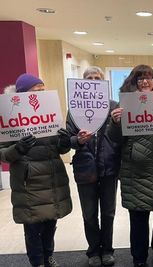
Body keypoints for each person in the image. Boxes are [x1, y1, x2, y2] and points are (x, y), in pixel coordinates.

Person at [108, 65, 153, 267]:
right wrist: (115, 123)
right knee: (138, 219)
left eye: (149, 78)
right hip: (136, 170)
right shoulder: (124, 105)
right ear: (133, 82)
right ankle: (139, 258)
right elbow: (114, 139)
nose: (145, 82)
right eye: (140, 79)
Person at [0, 73, 72, 267]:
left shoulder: (50, 112)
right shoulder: (9, 113)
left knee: (50, 222)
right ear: (23, 94)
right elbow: (3, 153)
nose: (41, 93)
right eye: (36, 90)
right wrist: (18, 148)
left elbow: (60, 148)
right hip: (29, 182)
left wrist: (65, 143)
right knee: (32, 227)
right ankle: (37, 262)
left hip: (51, 178)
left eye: (42, 89)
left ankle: (48, 256)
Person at [66, 67, 121, 267]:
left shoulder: (114, 106)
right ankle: (93, 252)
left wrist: (116, 123)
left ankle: (107, 250)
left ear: (103, 82)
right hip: (85, 169)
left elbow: (119, 137)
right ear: (83, 83)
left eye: (97, 78)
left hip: (109, 168)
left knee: (108, 213)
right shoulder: (74, 110)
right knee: (89, 214)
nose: (93, 80)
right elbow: (67, 141)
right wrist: (78, 141)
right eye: (89, 78)